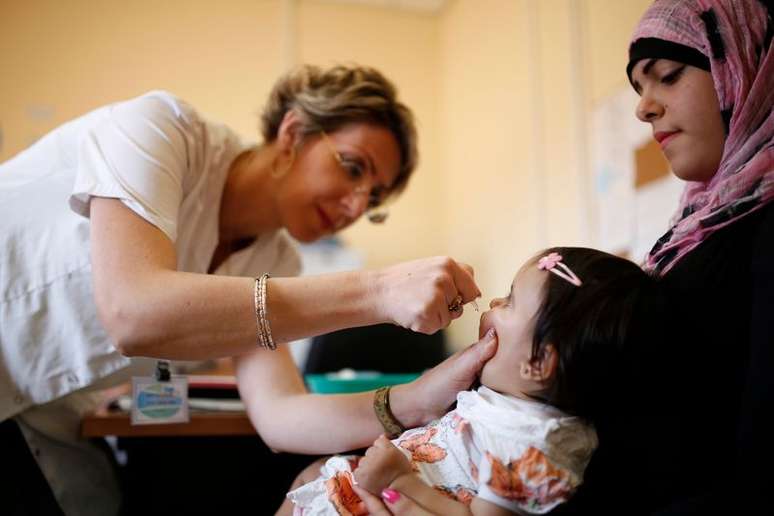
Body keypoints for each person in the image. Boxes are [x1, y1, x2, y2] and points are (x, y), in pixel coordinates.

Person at [0, 64, 489, 515]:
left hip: (41, 410)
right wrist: (377, 291)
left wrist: (419, 399)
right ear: (294, 132)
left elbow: (281, 415)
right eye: (353, 168)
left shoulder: (274, 260)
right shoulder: (160, 128)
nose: (355, 204)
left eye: (374, 199)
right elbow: (133, 313)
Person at [559, 1, 774, 514]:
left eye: (668, 76)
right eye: (638, 88)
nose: (644, 108)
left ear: (745, 70)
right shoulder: (696, 226)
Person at [280, 247, 658, 515]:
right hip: (364, 487)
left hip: (385, 496)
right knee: (305, 480)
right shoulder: (509, 403)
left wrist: (400, 479)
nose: (493, 303)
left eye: (509, 301)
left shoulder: (534, 448)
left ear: (538, 361)